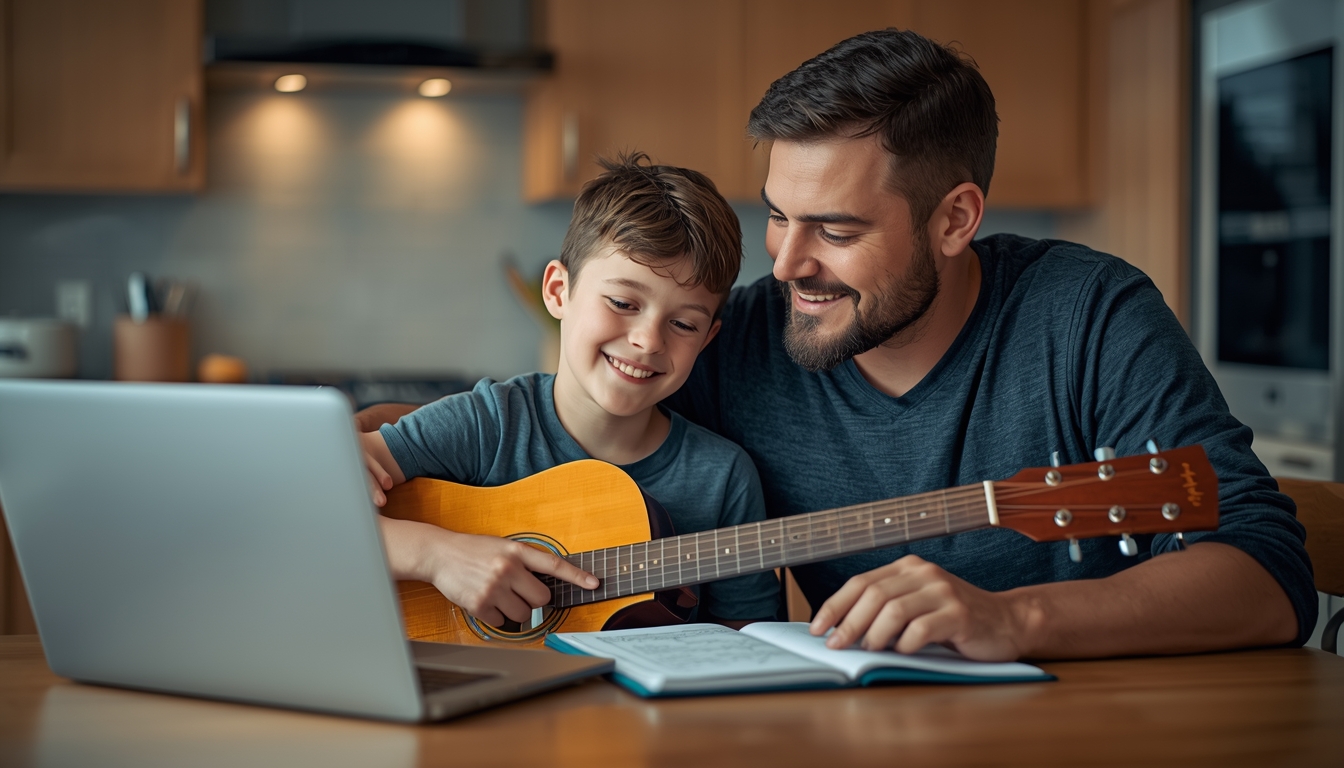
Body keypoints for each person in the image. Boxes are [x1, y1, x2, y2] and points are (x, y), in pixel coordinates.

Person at [662, 28, 1315, 661]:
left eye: (834, 231)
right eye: (779, 217)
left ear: (954, 219)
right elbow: (577, 442)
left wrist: (1015, 617)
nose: (785, 265)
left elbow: (1267, 577)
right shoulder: (735, 341)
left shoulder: (1089, 315)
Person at [360, 154, 779, 629]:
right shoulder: (489, 423)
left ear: (707, 339)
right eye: (623, 302)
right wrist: (437, 556)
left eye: (683, 323)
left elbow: (751, 638)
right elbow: (304, 508)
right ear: (559, 291)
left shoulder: (723, 478)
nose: (648, 340)